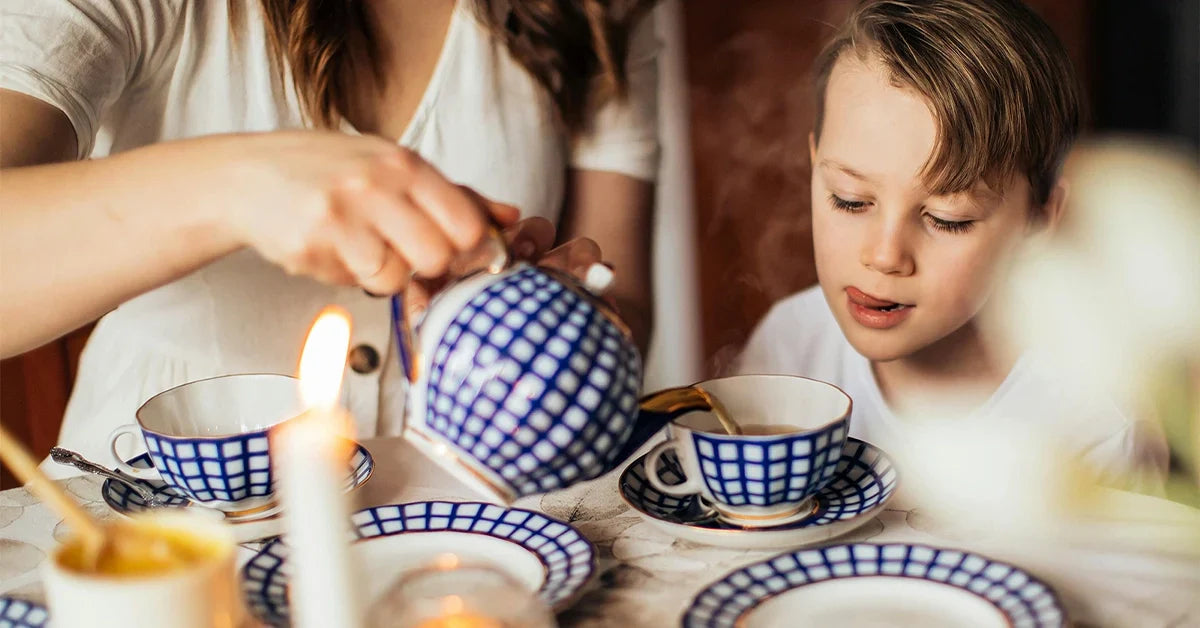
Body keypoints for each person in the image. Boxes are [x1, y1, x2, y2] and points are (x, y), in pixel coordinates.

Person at [0, 0, 660, 473]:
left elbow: (618, 293)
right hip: (155, 522)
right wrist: (238, 184)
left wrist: (548, 319)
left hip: (451, 520)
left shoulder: (594, 13)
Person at [736, 0, 1166, 486]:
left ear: (1039, 219)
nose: (884, 256)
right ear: (815, 164)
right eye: (851, 201)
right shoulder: (790, 349)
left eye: (947, 219)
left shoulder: (1094, 417)